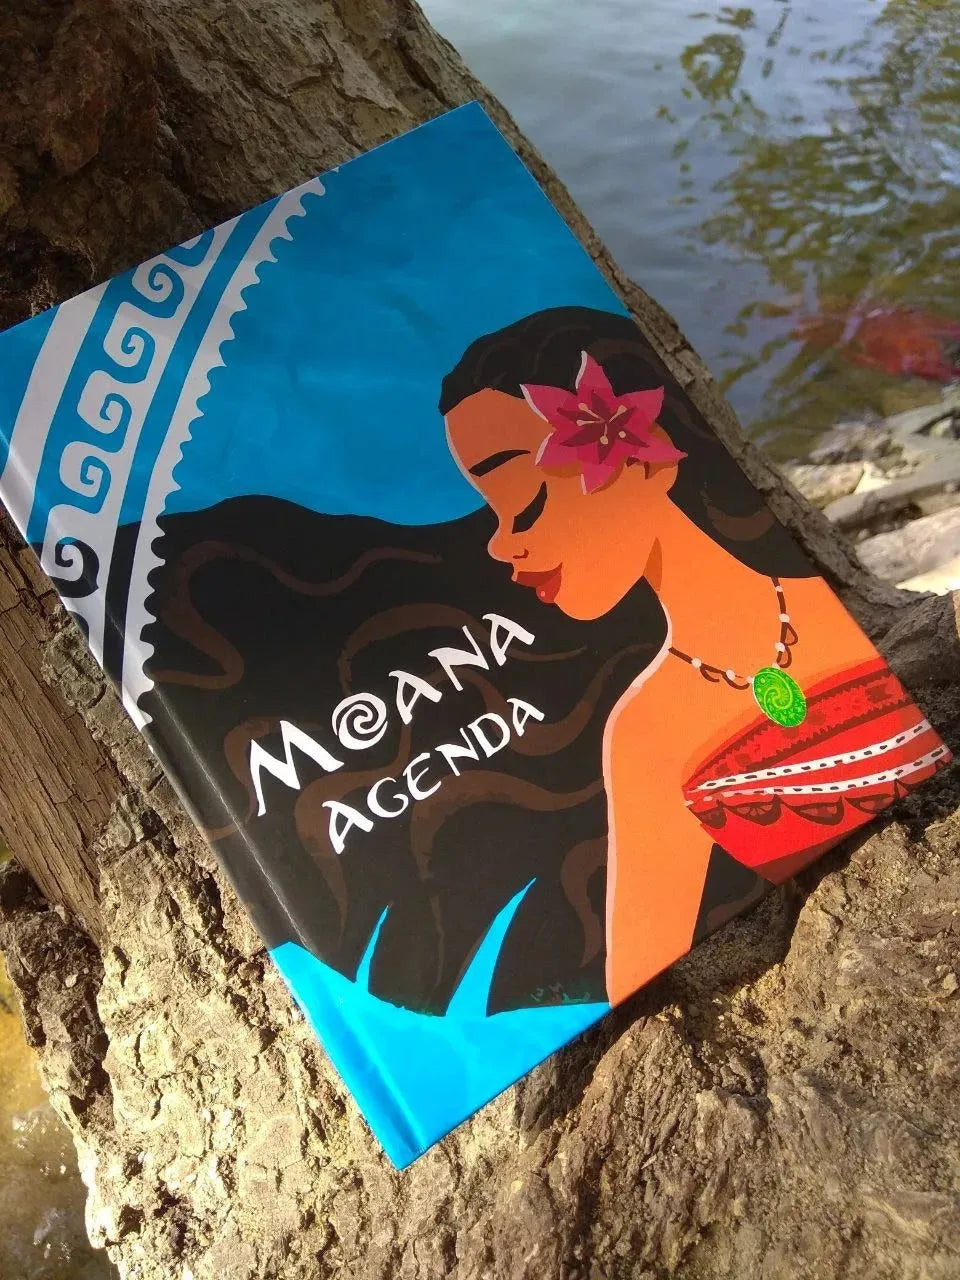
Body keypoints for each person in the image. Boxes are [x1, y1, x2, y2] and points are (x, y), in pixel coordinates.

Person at [441, 306, 950, 1004]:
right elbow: (630, 964)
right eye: (491, 514)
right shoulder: (642, 739)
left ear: (640, 450)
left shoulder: (817, 609)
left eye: (524, 502)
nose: (503, 543)